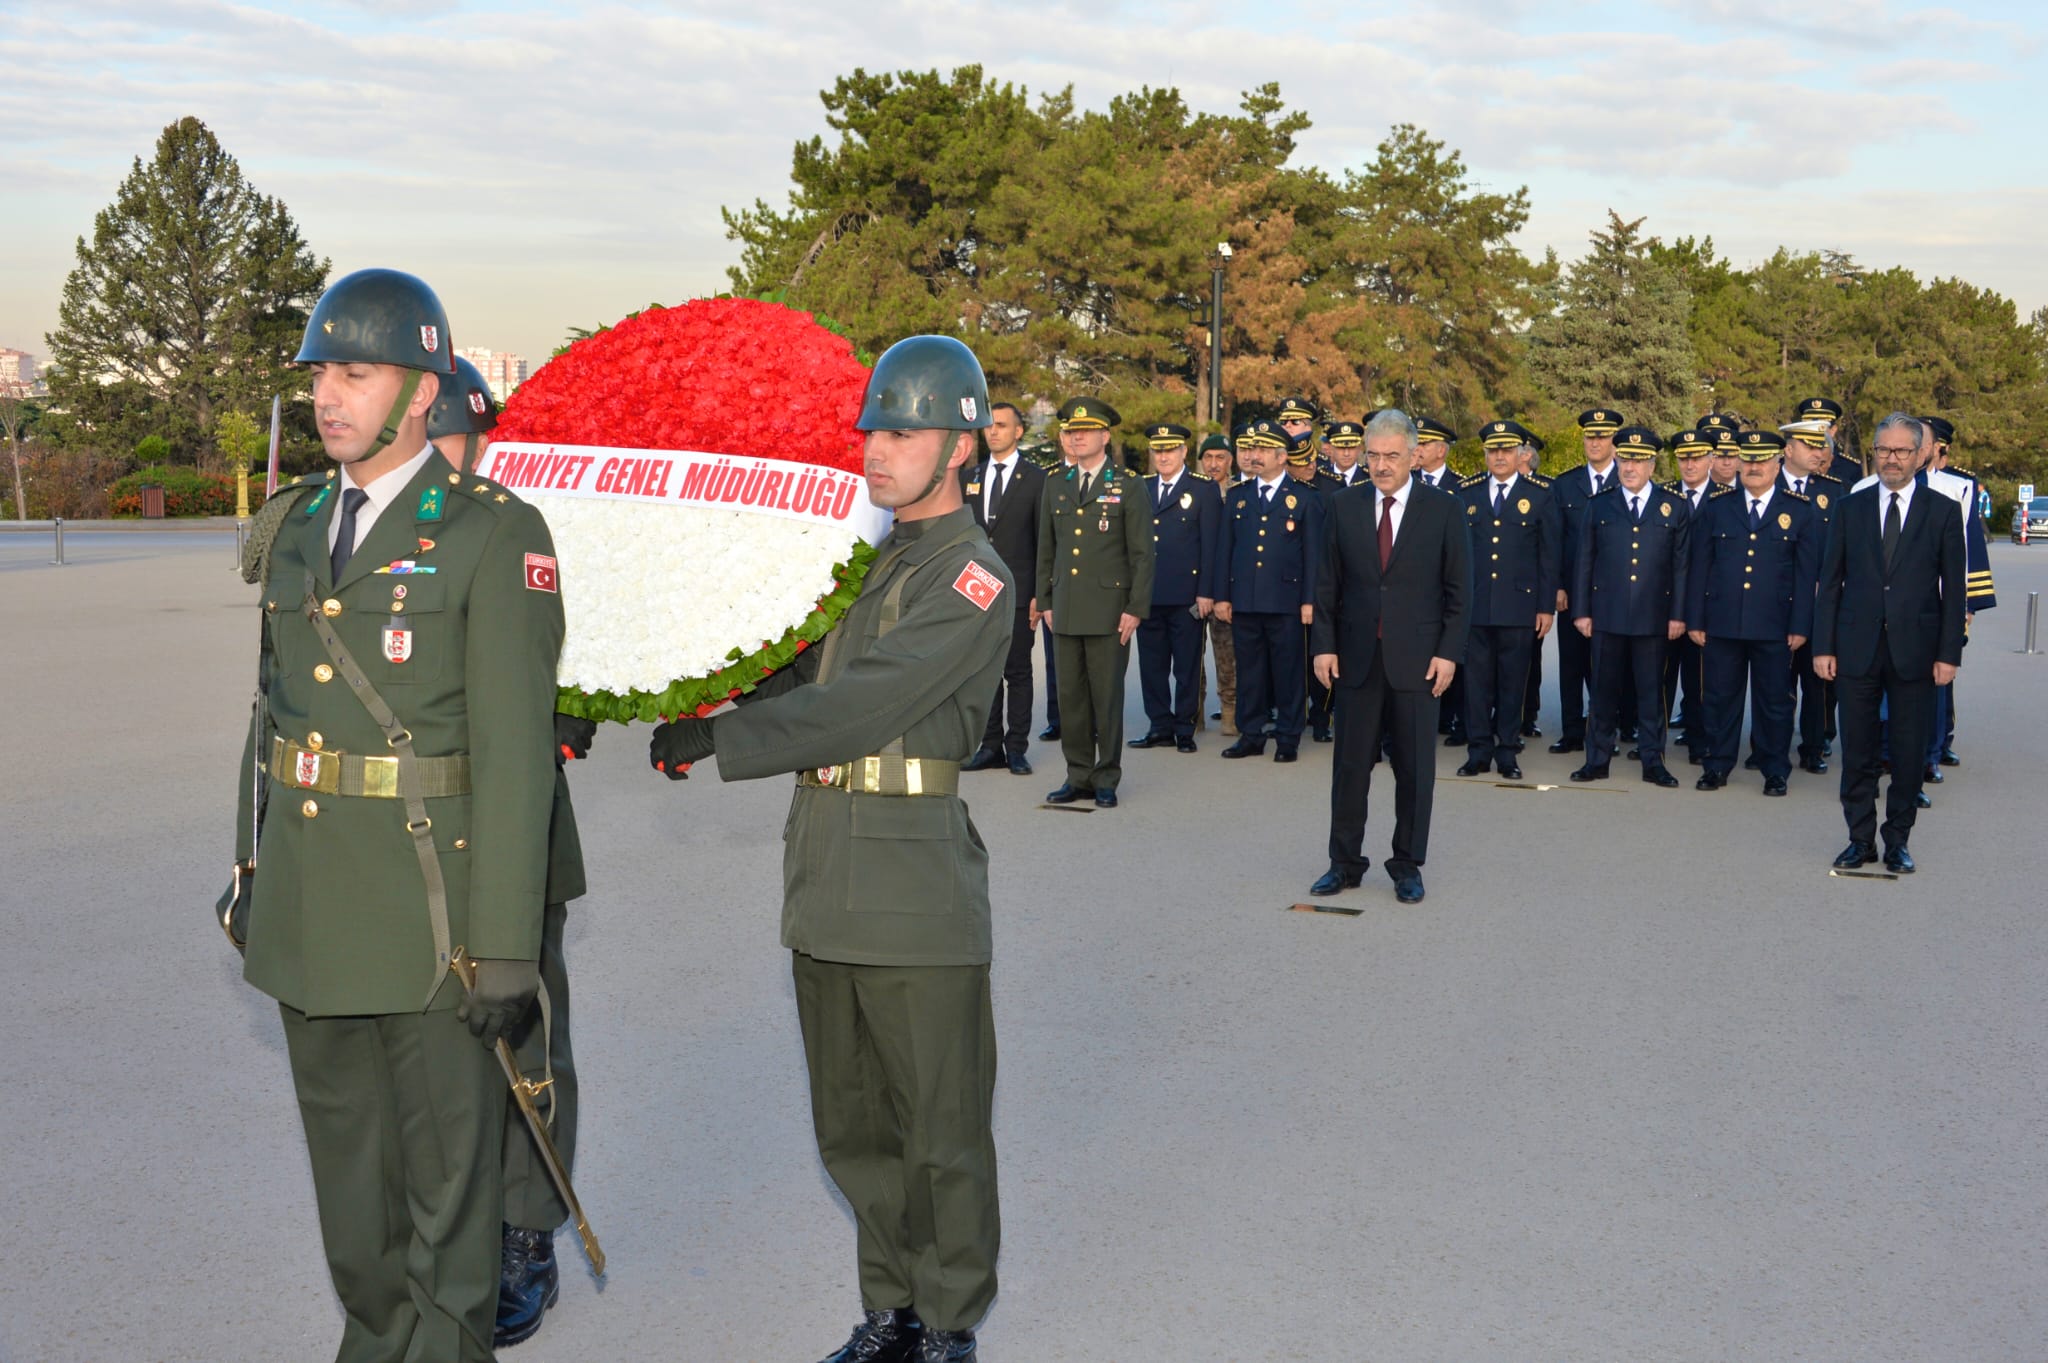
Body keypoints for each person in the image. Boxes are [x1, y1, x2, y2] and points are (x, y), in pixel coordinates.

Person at [647, 335, 1012, 1363]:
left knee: (937, 1127)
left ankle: (946, 1323)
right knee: (851, 1125)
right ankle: (890, 1307)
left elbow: (861, 704)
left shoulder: (973, 577)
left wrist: (726, 740)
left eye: (901, 431)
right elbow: (794, 666)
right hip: (826, 875)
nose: (876, 450)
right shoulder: (860, 563)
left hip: (913, 884)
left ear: (960, 445)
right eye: (872, 430)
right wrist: (690, 693)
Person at [224, 268, 561, 1360]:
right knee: (355, 1217)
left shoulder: (490, 532)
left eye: (354, 371)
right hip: (315, 915)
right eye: (322, 371)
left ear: (421, 390)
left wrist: (508, 944)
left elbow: (517, 756)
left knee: (444, 1219)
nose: (329, 393)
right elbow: (270, 719)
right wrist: (252, 865)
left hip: (434, 924)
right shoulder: (296, 523)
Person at [427, 351, 593, 1349]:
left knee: (523, 1045)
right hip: (403, 842)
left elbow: (575, 647)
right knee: (431, 1050)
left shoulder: (515, 530)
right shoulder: (367, 535)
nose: (465, 454)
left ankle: (525, 1231)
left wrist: (567, 711)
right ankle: (447, 1225)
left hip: (514, 835)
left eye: (469, 435)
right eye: (453, 433)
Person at [1310, 410, 1469, 903]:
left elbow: (1460, 591)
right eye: (1372, 455)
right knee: (1350, 767)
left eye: (1391, 456)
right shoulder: (1342, 505)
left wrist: (1448, 654)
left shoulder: (1443, 509)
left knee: (1415, 770)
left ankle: (1407, 865)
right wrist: (1324, 645)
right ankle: (1345, 863)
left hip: (1418, 661)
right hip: (1355, 659)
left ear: (1414, 455)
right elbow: (1327, 584)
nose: (1380, 465)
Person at [1814, 413, 1965, 874]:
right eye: (1883, 450)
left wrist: (1948, 654)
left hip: (1916, 651)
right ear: (1872, 453)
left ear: (1920, 455)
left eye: (1901, 450)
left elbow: (1954, 591)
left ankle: (1897, 840)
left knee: (1907, 752)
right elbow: (1830, 583)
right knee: (1857, 752)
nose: (1891, 459)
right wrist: (1824, 646)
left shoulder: (1942, 511)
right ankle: (1860, 839)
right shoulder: (1849, 508)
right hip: (1856, 648)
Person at [1685, 431, 1821, 796]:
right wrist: (1695, 619)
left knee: (1775, 703)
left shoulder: (1800, 511)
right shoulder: (1717, 507)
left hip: (1775, 626)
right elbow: (1700, 567)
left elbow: (1807, 576)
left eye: (1763, 460)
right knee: (1718, 698)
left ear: (1778, 464)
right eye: (1749, 459)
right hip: (1722, 622)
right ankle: (1716, 765)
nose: (1755, 466)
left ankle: (1775, 769)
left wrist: (1800, 625)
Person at [1035, 397, 1154, 807]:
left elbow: (1141, 553)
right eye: (1070, 431)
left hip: (1109, 610)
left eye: (1085, 430)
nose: (1077, 436)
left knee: (1106, 697)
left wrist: (1136, 608)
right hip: (1065, 608)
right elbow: (1045, 549)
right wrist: (1045, 599)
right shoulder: (1056, 484)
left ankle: (1106, 777)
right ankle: (1078, 774)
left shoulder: (1128, 485)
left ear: (1106, 436)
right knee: (1070, 697)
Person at [1570, 426, 1690, 786]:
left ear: (1653, 465)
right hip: (1607, 616)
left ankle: (1653, 761)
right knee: (1603, 693)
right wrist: (1581, 610)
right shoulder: (1599, 504)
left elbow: (1681, 567)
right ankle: (1597, 760)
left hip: (1654, 618)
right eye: (1625, 458)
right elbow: (1584, 562)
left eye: (1639, 460)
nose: (1630, 466)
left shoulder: (1674, 507)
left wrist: (1678, 614)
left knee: (1651, 694)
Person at [1455, 420, 1558, 781]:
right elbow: (1456, 557)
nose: (1499, 456)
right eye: (1492, 450)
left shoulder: (1542, 495)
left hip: (1519, 607)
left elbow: (1548, 557)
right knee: (1476, 684)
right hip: (1477, 607)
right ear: (1485, 454)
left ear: (1521, 453)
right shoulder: (1466, 495)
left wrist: (1545, 606)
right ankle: (1478, 751)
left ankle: (1508, 752)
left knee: (1513, 683)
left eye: (1506, 450)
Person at [1214, 419, 1323, 762]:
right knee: (1251, 671)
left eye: (1263, 450)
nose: (1255, 456)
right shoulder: (1238, 497)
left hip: (1286, 602)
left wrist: (1309, 601)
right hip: (1245, 600)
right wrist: (1222, 596)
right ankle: (1251, 733)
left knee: (1288, 670)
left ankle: (1288, 736)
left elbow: (1313, 556)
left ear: (1282, 456)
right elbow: (1224, 551)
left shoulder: (1303, 498)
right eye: (1252, 449)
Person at [961, 401, 1045, 776]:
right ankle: (990, 744)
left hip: (1019, 592)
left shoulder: (1037, 479)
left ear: (1018, 432)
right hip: (978, 590)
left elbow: (1045, 541)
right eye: (988, 426)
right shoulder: (970, 477)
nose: (992, 431)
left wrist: (1039, 594)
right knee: (983, 671)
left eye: (1001, 425)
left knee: (1018, 671)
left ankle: (1016, 748)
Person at [1130, 424, 1219, 753]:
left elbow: (1211, 545)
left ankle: (1185, 728)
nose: (1164, 456)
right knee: (1151, 666)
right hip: (1148, 593)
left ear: (1183, 452)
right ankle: (1159, 726)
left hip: (1187, 596)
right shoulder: (1140, 487)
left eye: (1170, 449)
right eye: (1158, 450)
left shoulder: (1203, 490)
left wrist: (1206, 591)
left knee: (1186, 665)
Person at [1546, 408, 1624, 754]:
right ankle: (1572, 730)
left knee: (1607, 665)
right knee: (1572, 664)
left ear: (1614, 442)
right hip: (1574, 591)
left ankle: (1606, 729)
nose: (1595, 442)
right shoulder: (1565, 485)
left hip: (1613, 592)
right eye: (1590, 436)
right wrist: (1558, 586)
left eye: (1602, 436)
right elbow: (1555, 541)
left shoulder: (1626, 481)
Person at [1779, 419, 1845, 775]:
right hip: (1777, 603)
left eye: (1820, 445)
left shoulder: (1833, 492)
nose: (1819, 451)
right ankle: (1769, 745)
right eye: (1809, 445)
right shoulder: (1766, 487)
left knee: (1817, 681)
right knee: (1775, 680)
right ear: (1788, 450)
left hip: (1820, 604)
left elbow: (1841, 548)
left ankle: (1813, 747)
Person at [1661, 428, 1721, 764]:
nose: (1690, 463)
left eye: (1697, 456)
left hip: (1705, 606)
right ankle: (1653, 744)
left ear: (1711, 459)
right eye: (1683, 457)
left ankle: (1701, 743)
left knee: (1701, 682)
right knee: (1660, 678)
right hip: (1666, 603)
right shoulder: (1664, 495)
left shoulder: (1725, 497)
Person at [1196, 434, 1242, 737]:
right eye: (1208, 457)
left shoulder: (1240, 492)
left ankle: (1230, 711)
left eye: (1220, 457)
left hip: (1226, 585)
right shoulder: (1193, 489)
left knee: (1227, 655)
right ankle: (1193, 712)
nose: (1214, 464)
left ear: (1231, 460)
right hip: (1194, 584)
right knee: (1190, 655)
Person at [1794, 396, 1863, 485]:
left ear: (1833, 430)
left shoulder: (1849, 468)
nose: (1813, 434)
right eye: (1809, 428)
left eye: (1819, 429)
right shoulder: (1790, 462)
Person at [1326, 420, 1369, 488]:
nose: (1346, 454)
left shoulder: (1370, 478)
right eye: (1341, 448)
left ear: (1359, 448)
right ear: (1331, 448)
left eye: (1351, 447)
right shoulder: (1321, 478)